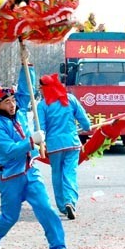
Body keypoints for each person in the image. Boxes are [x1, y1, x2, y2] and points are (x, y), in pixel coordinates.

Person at [0, 72, 69, 249]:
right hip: (10, 174)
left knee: (45, 207)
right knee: (10, 216)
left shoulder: (19, 112)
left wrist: (27, 67)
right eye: (7, 102)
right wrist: (31, 141)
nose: (12, 104)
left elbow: (25, 90)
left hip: (30, 169)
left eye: (13, 100)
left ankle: (58, 245)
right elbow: (9, 150)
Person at [37, 73, 91, 219]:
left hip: (54, 146)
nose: (40, 91)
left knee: (57, 175)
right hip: (72, 143)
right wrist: (85, 127)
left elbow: (41, 129)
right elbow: (85, 122)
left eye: (41, 88)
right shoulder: (70, 99)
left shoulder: (42, 106)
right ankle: (70, 201)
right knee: (70, 172)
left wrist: (41, 143)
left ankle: (62, 205)